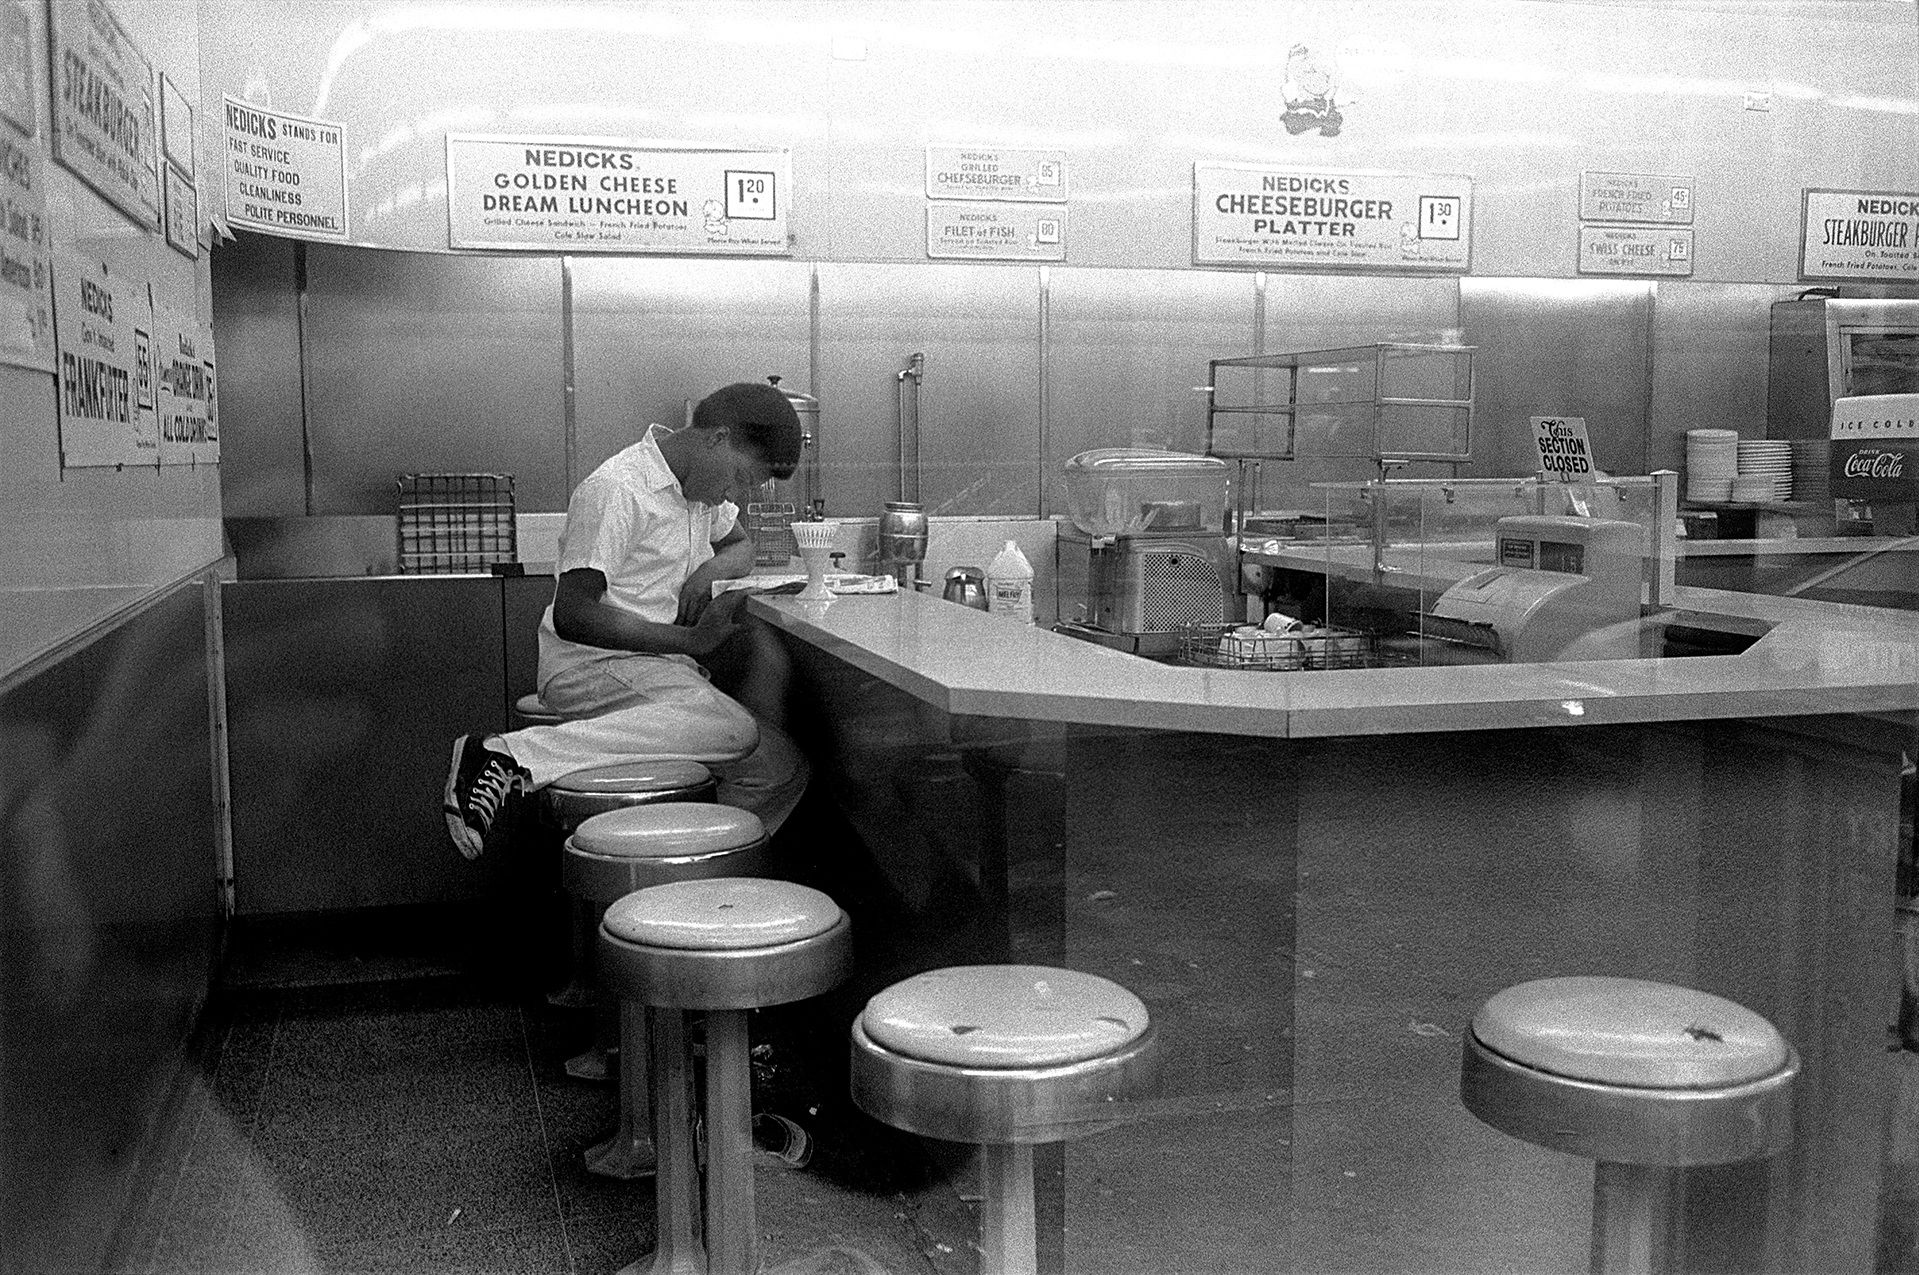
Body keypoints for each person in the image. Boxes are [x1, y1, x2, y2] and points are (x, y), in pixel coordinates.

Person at [444, 381, 810, 859]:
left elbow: (742, 547)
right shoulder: (618, 489)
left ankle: (686, 880)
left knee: (780, 769)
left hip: (658, 671)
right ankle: (508, 755)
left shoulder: (699, 495)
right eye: (741, 477)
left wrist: (706, 572)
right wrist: (690, 640)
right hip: (594, 667)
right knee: (735, 730)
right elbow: (574, 614)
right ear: (717, 438)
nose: (736, 493)